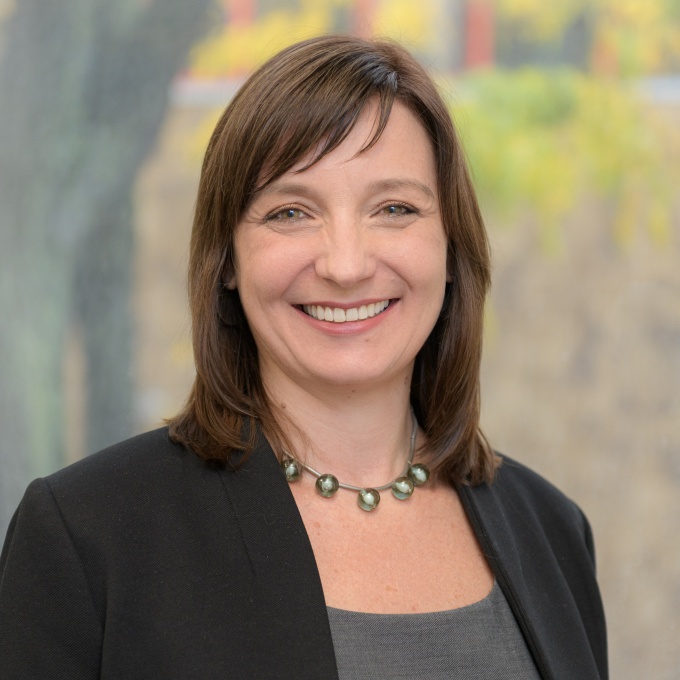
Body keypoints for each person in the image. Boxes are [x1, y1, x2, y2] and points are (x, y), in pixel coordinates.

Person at [0, 35, 607, 679]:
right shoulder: (88, 537)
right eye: (291, 212)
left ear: (450, 247)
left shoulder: (553, 531)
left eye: (394, 208)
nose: (345, 265)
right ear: (228, 260)